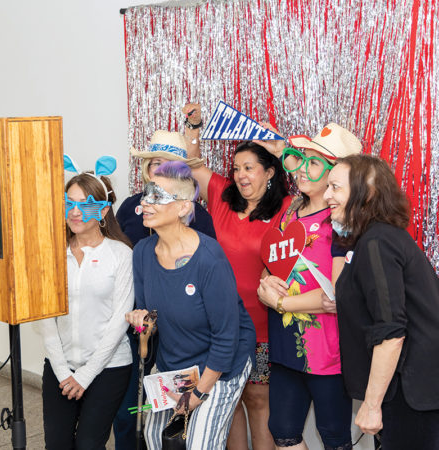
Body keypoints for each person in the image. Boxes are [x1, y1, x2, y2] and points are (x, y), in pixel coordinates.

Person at [126, 161, 256, 449]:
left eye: (158, 196)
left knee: (199, 444)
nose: (146, 202)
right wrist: (144, 320)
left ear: (184, 207)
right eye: (147, 193)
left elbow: (226, 338)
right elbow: (154, 317)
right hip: (177, 363)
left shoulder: (209, 257)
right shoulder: (143, 253)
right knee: (155, 439)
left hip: (221, 363)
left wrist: (196, 395)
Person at [183, 103, 290, 450]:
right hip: (221, 323)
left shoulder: (288, 208)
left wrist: (282, 149)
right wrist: (193, 125)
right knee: (226, 404)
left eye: (250, 168)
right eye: (236, 168)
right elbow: (193, 164)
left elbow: (311, 179)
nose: (241, 175)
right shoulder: (221, 197)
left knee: (259, 403)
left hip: (261, 326)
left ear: (269, 172)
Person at [256, 123, 362, 450]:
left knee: (334, 436)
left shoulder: (342, 223)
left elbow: (334, 297)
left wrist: (279, 303)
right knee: (282, 430)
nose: (302, 168)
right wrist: (266, 280)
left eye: (314, 163)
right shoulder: (290, 209)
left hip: (326, 351)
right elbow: (273, 260)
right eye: (302, 159)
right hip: (286, 343)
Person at [323, 154, 439, 449]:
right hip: (410, 392)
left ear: (368, 194)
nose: (326, 196)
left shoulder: (377, 242)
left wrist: (372, 405)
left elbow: (391, 331)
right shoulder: (377, 239)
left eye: (335, 187)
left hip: (412, 395)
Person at [113, 130, 216, 450]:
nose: (157, 169)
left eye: (166, 164)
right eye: (152, 162)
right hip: (136, 320)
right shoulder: (131, 207)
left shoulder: (199, 215)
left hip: (180, 326)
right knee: (129, 408)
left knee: (175, 415)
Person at [37, 168, 134, 450]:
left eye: (85, 204)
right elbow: (46, 318)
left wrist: (85, 376)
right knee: (57, 444)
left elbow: (119, 322)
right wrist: (62, 371)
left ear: (103, 212)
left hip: (108, 367)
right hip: (60, 366)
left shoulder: (120, 255)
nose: (75, 212)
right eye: (69, 203)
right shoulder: (53, 254)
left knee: (89, 445)